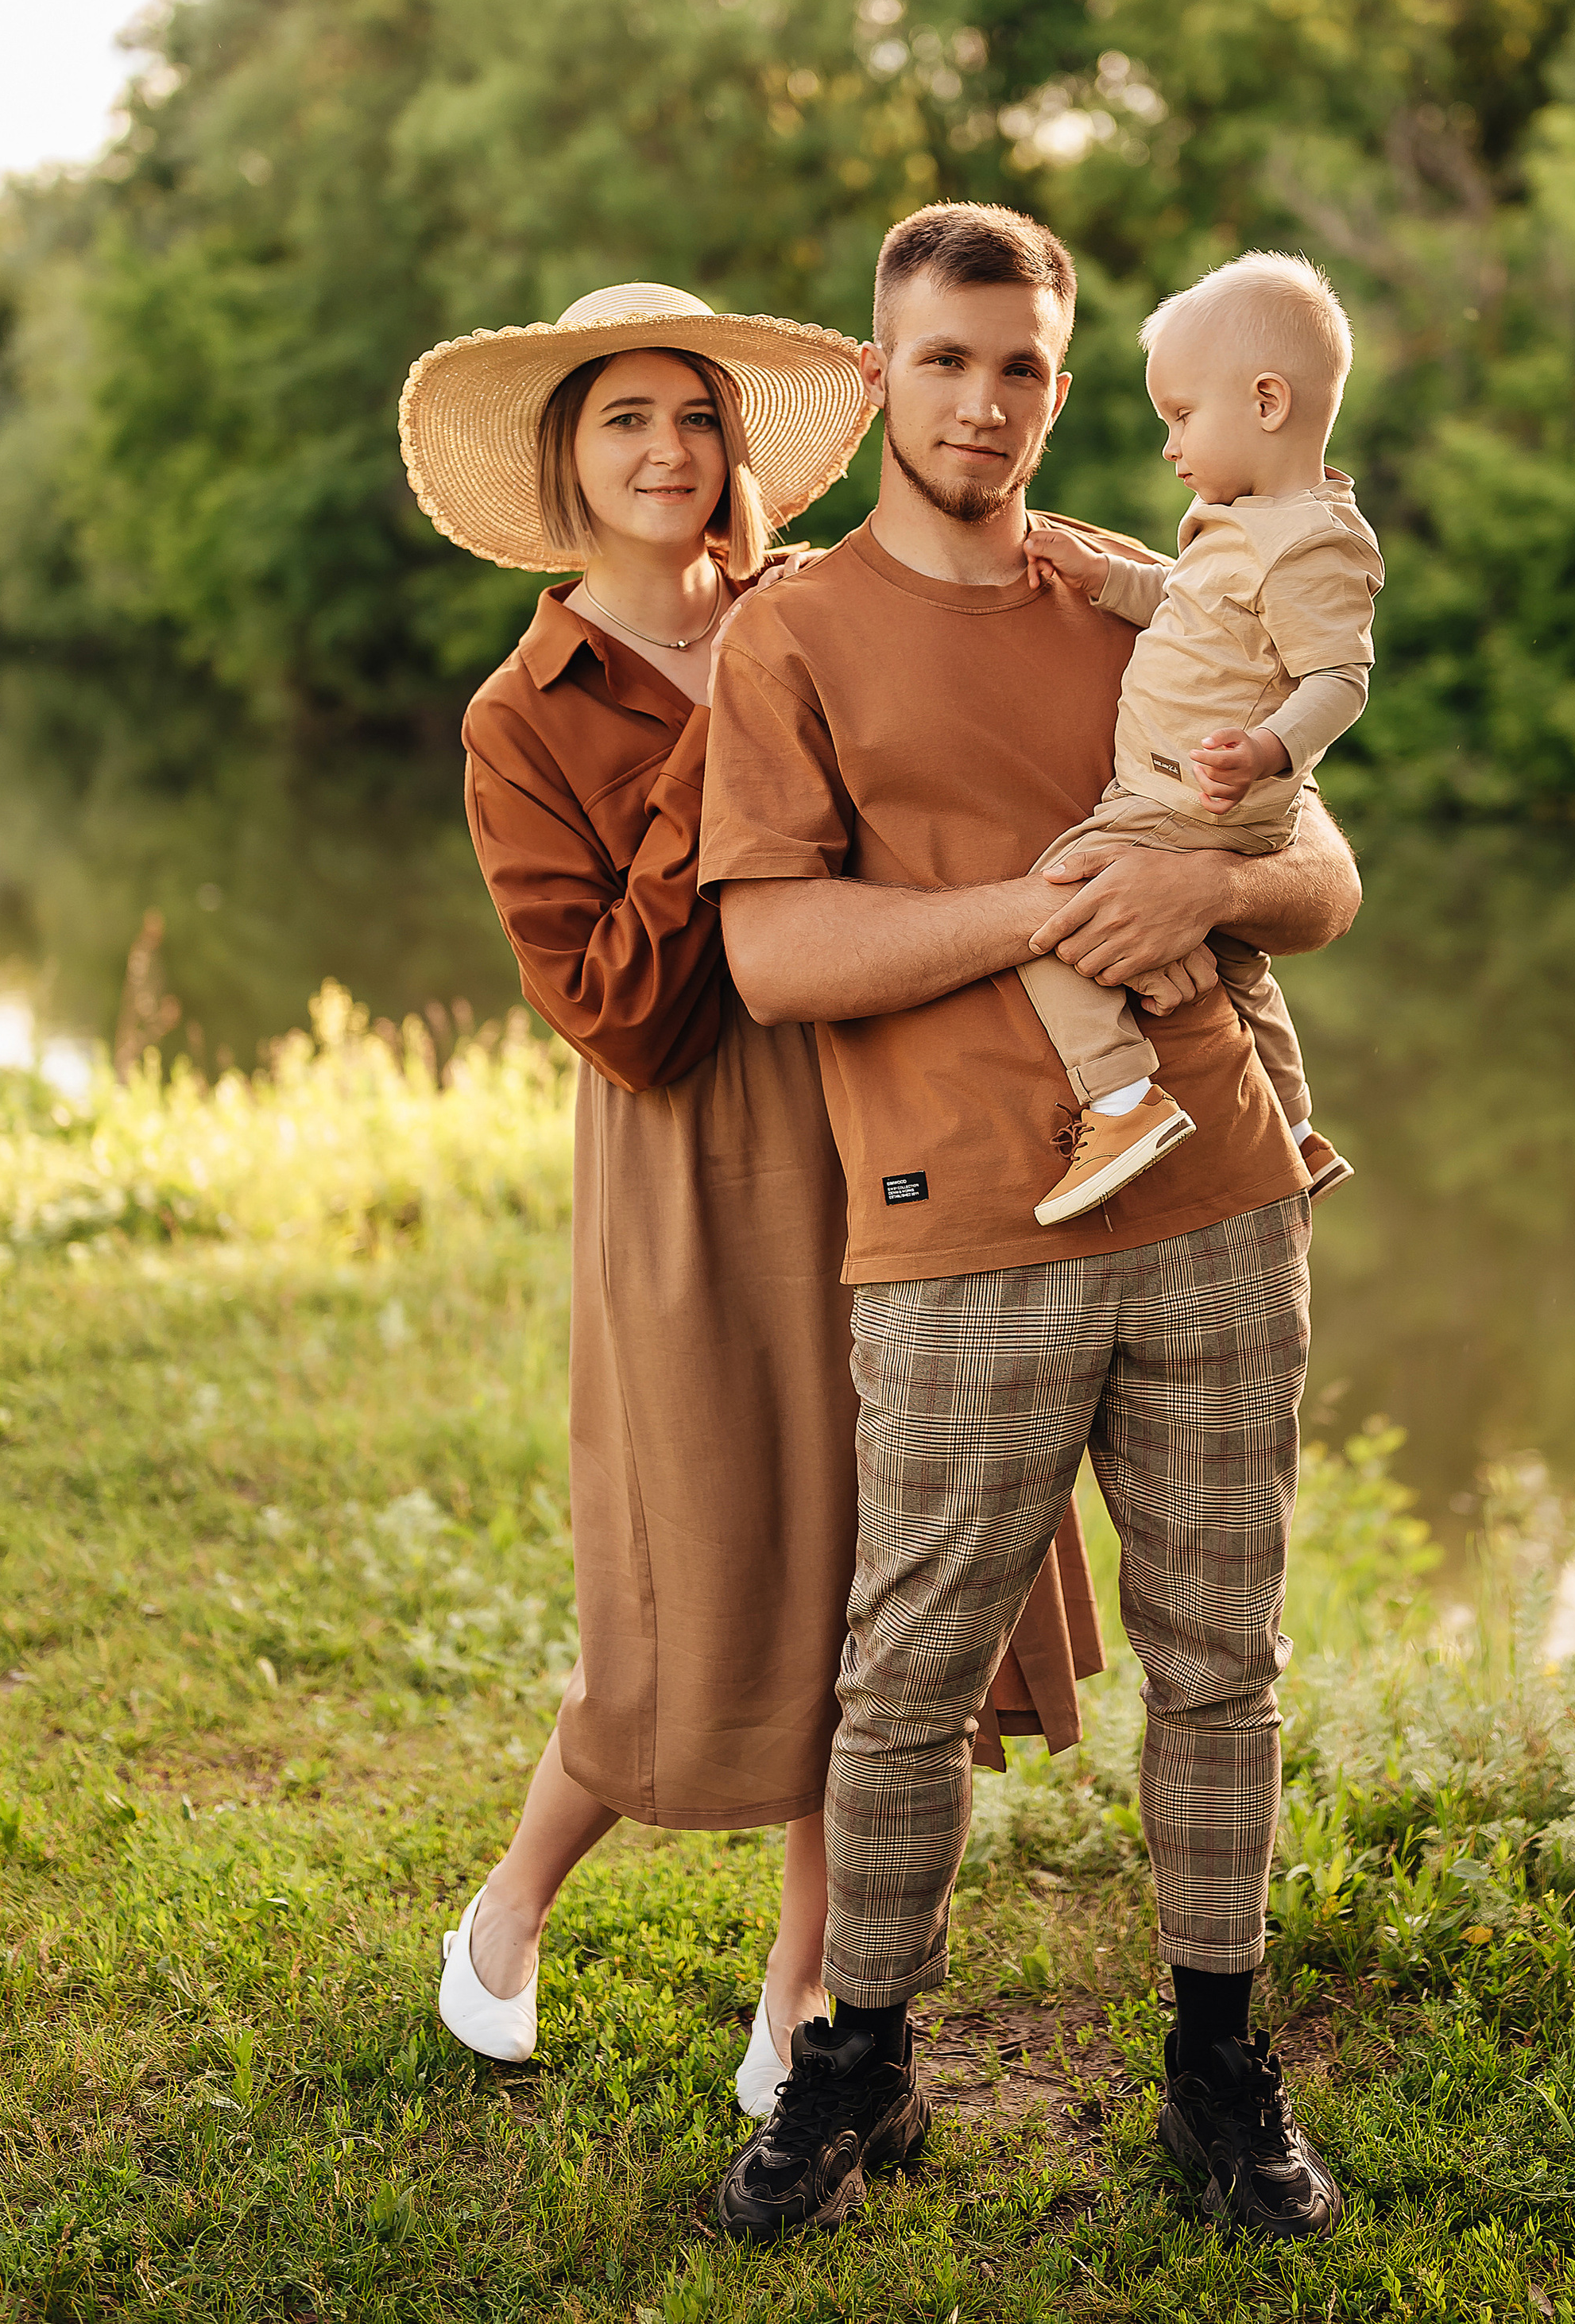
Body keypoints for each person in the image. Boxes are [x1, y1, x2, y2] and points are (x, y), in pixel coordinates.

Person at [698, 204, 1363, 2245]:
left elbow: (1321, 875)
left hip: (1217, 1199)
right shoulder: (791, 634)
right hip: (959, 1225)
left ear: (1060, 388)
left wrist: (1203, 888)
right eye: (944, 360)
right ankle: (860, 2059)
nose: (982, 404)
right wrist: (1049, 908)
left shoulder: (1145, 587)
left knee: (1219, 1659)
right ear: (876, 376)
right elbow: (774, 955)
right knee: (902, 1676)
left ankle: (1215, 2065)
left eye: (1020, 369)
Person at [396, 279, 1103, 2117]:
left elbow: (997, 630)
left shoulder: (818, 607)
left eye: (695, 415)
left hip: (897, 1108)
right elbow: (620, 1012)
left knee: (887, 1576)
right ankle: (507, 1906)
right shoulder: (519, 716)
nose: (666, 450)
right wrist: (725, 727)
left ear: (734, 447)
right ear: (566, 456)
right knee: (701, 1589)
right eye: (624, 418)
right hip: (697, 1161)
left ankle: (801, 1994)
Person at [1016, 250, 1383, 1224]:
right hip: (1191, 795)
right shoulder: (1242, 520)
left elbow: (1339, 678)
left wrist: (1269, 750)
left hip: (1185, 798)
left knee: (1056, 908)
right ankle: (1295, 1127)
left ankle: (1118, 1100)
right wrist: (1103, 577)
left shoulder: (1312, 541)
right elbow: (1183, 605)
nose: (1170, 446)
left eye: (1181, 417)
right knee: (1236, 967)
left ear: (1267, 402)